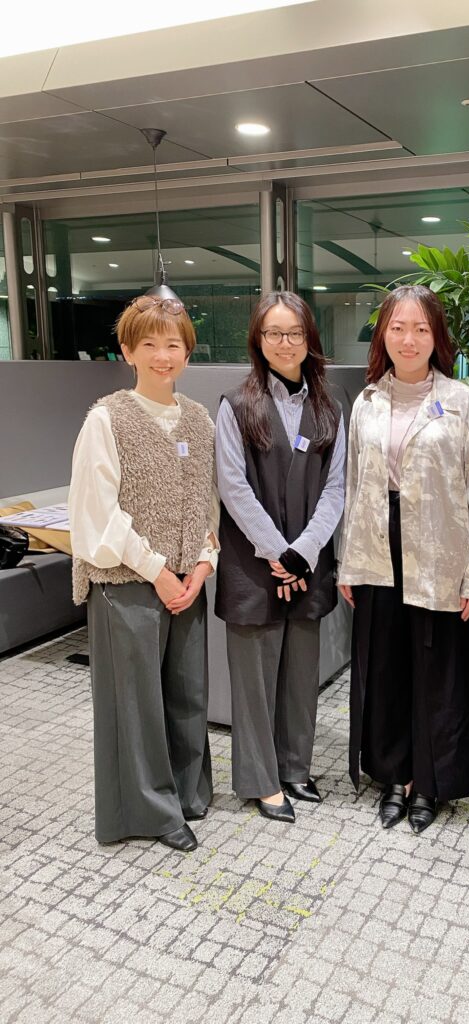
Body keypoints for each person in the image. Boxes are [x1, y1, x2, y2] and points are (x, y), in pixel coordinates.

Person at [338, 284, 469, 835]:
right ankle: (395, 775)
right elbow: (353, 485)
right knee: (385, 663)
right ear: (383, 334)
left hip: (440, 548)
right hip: (377, 547)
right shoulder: (366, 402)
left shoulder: (462, 401)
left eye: (421, 329)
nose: (408, 339)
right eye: (398, 328)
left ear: (437, 337)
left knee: (438, 668)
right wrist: (348, 560)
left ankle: (431, 781)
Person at [69, 294, 219, 852]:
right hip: (127, 584)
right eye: (149, 344)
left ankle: (186, 792)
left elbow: (207, 502)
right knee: (135, 705)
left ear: (188, 352)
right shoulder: (107, 418)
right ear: (127, 351)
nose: (163, 356)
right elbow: (96, 513)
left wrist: (204, 563)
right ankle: (149, 812)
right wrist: (157, 570)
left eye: (173, 344)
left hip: (187, 582)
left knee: (187, 696)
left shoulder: (198, 419)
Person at [215, 291, 344, 824]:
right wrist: (277, 552)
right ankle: (261, 781)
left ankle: (295, 768)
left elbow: (336, 488)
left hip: (306, 565)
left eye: (294, 333)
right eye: (274, 333)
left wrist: (303, 553)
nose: (284, 343)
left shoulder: (329, 406)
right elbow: (232, 485)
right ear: (258, 339)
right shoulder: (236, 405)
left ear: (309, 338)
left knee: (299, 677)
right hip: (254, 565)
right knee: (254, 680)